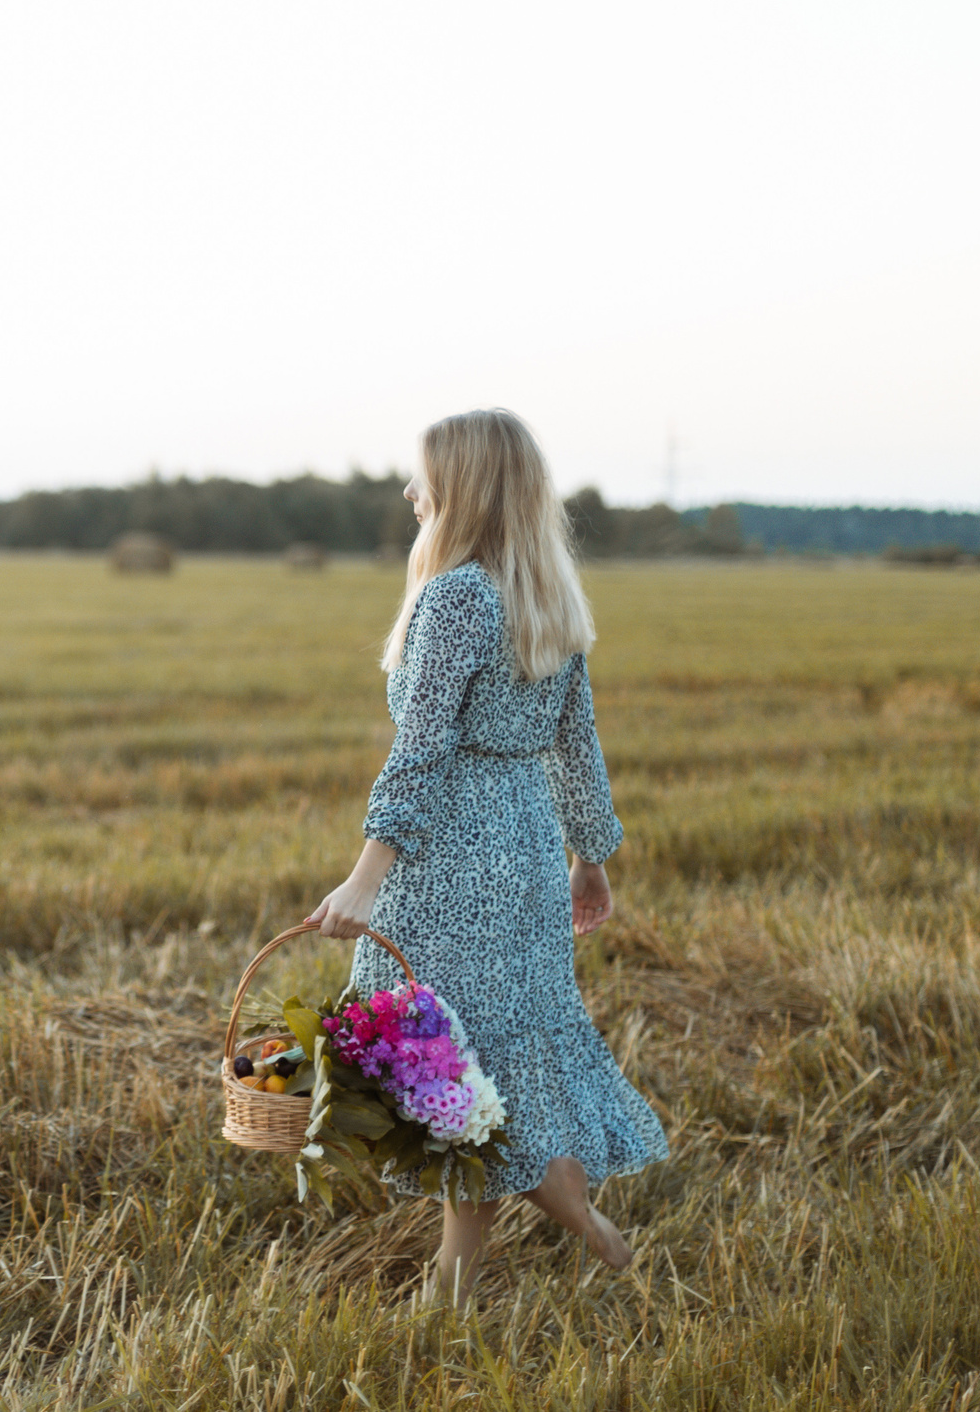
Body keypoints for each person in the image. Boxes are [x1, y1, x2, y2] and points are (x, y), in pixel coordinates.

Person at [308, 408, 667, 1301]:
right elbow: (578, 744)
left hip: (454, 859)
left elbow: (420, 750)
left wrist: (365, 875)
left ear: (461, 488)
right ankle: (471, 1280)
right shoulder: (544, 595)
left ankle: (552, 1247)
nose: (409, 490)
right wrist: (590, 854)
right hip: (528, 845)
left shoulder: (454, 597)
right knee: (483, 1060)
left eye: (423, 474)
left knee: (443, 1062)